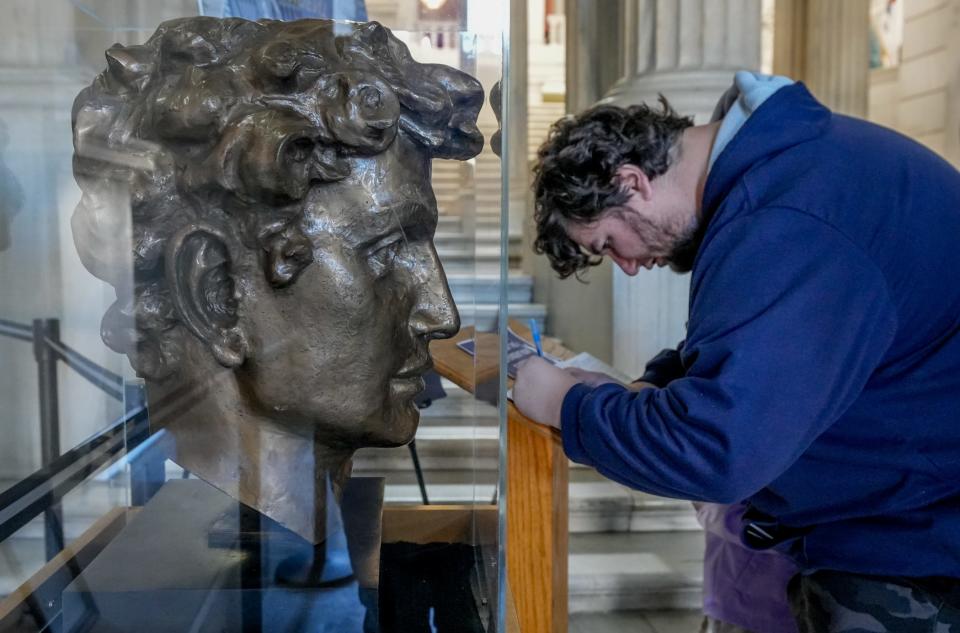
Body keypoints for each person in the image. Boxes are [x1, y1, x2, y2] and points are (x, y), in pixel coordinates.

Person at [513, 71, 960, 631]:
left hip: (921, 549)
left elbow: (718, 451)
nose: (627, 266)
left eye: (608, 243)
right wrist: (663, 381)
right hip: (908, 519)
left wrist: (564, 405)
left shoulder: (784, 218)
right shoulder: (787, 176)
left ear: (632, 182)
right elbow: (787, 343)